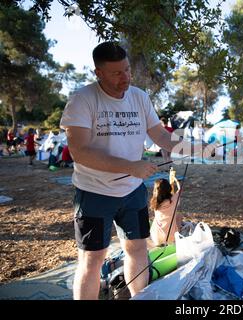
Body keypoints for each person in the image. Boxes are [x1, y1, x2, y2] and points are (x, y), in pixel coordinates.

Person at [59, 41, 213, 299]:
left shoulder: (140, 97)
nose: (125, 78)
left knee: (138, 249)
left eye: (128, 70)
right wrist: (131, 166)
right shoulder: (82, 100)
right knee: (93, 258)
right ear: (98, 73)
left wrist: (198, 148)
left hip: (132, 192)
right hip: (94, 193)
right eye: (116, 73)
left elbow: (162, 138)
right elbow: (80, 152)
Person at [150, 167, 182, 246]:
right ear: (168, 188)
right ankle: (177, 232)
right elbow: (180, 189)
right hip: (171, 238)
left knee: (155, 220)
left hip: (156, 237)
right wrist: (175, 180)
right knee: (178, 216)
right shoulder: (173, 200)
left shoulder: (154, 202)